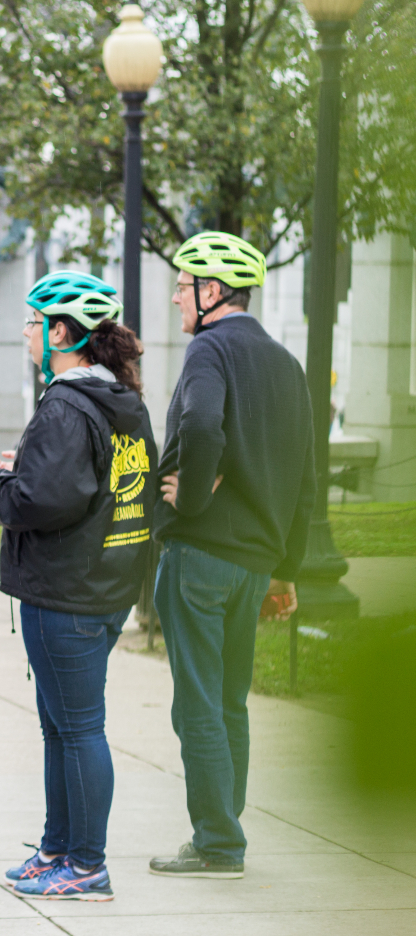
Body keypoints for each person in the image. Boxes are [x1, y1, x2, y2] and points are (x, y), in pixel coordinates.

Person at [0, 272, 158, 902]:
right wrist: (20, 472)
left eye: (32, 322)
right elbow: (91, 487)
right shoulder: (119, 400)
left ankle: (87, 865)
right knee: (61, 727)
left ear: (61, 333)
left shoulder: (65, 405)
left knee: (78, 728)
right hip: (103, 586)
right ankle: (58, 849)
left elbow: (39, 501)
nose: (26, 333)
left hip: (67, 593)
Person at [150, 232, 312, 880]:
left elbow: (199, 425)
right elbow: (306, 473)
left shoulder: (209, 347)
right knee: (229, 700)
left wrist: (188, 499)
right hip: (254, 563)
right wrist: (288, 568)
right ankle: (226, 828)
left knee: (196, 702)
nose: (176, 296)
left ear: (212, 292)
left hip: (203, 555)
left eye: (185, 285)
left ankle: (217, 840)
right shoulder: (285, 363)